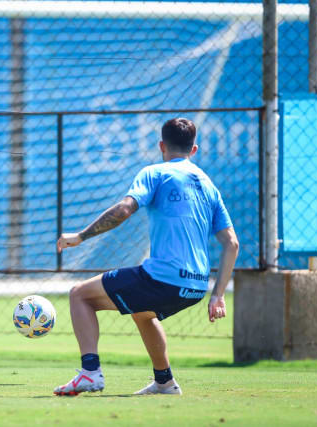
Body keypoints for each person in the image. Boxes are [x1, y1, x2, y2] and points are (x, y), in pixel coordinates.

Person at [53, 118, 239, 396]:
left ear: (161, 145)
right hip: (197, 287)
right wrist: (218, 295)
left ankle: (90, 373)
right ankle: (164, 382)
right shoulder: (209, 185)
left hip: (163, 277)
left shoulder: (155, 172)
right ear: (195, 149)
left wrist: (80, 236)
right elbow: (232, 244)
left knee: (80, 295)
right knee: (141, 312)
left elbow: (124, 210)